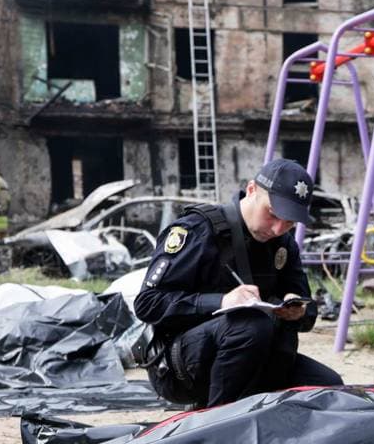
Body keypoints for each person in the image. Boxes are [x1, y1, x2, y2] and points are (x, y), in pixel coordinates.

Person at [132, 158, 342, 407]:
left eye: (289, 222)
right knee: (250, 325)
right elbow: (147, 304)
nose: (277, 228)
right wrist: (222, 301)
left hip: (259, 358)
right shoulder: (198, 230)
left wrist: (297, 310)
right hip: (180, 367)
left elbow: (306, 307)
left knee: (330, 388)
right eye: (272, 214)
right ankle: (215, 424)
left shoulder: (284, 245)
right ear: (252, 190)